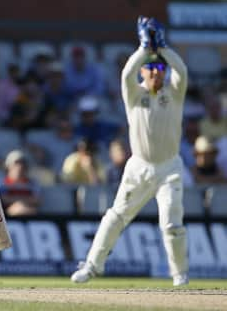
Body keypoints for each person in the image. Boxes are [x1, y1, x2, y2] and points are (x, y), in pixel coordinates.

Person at [71, 16, 190, 286]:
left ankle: (179, 275)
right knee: (115, 216)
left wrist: (163, 48)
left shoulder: (174, 92)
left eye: (160, 67)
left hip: (169, 167)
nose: (157, 72)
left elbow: (181, 70)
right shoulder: (134, 93)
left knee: (172, 224)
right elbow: (126, 74)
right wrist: (144, 48)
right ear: (143, 73)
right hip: (139, 167)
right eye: (151, 68)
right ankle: (90, 266)